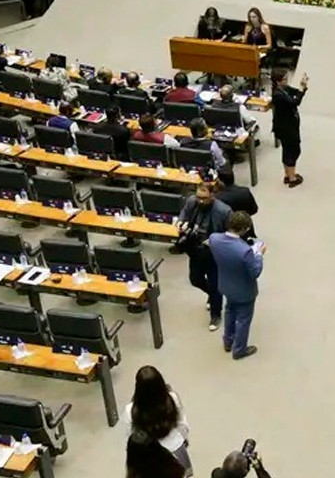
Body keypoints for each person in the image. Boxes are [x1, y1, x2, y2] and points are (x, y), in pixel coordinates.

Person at [175, 182, 234, 330]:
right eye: (199, 197)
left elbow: (231, 234)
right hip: (195, 249)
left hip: (214, 254)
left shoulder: (224, 211)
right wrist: (181, 223)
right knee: (195, 279)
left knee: (215, 286)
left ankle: (216, 315)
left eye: (205, 198)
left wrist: (217, 241)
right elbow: (184, 215)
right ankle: (212, 296)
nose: (200, 201)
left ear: (213, 196)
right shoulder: (192, 202)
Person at [210, 212, 263, 360]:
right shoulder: (244, 251)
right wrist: (258, 254)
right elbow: (255, 272)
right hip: (244, 290)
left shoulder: (214, 239)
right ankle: (239, 349)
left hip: (225, 285)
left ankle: (228, 341)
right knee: (243, 319)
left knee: (229, 311)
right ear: (245, 229)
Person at [124, 365, 191, 475]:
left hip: (148, 460)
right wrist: (179, 441)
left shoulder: (130, 411)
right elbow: (183, 425)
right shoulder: (172, 398)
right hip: (175, 450)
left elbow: (131, 441)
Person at [270, 70, 307, 187]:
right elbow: (294, 102)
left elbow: (296, 92)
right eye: (284, 79)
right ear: (278, 81)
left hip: (288, 125)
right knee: (293, 150)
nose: (286, 81)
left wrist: (302, 89)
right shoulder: (278, 94)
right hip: (286, 127)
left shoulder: (283, 88)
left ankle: (287, 174)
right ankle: (292, 178)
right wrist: (301, 90)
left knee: (287, 150)